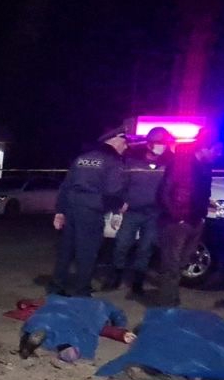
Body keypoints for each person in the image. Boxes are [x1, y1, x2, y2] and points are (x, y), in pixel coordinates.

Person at [51, 128, 128, 296]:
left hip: (71, 206)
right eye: (124, 142)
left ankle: (56, 287)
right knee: (87, 251)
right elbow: (114, 190)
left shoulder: (82, 158)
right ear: (113, 141)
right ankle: (82, 290)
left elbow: (66, 185)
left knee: (66, 250)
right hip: (91, 210)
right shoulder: (112, 160)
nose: (126, 146)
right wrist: (119, 204)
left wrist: (60, 211)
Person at [154, 136, 217, 307]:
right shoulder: (181, 164)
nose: (218, 154)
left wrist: (202, 216)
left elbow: (202, 194)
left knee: (181, 263)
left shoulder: (205, 168)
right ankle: (166, 304)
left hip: (195, 220)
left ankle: (172, 299)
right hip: (177, 222)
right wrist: (176, 216)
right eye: (216, 150)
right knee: (171, 265)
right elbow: (164, 192)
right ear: (205, 148)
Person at [107, 126, 171, 293]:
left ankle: (138, 281)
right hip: (132, 212)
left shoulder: (168, 165)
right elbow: (120, 185)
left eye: (164, 143)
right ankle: (116, 277)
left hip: (154, 214)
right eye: (159, 142)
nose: (162, 146)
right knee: (122, 245)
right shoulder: (132, 162)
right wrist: (120, 202)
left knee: (146, 248)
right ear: (149, 144)